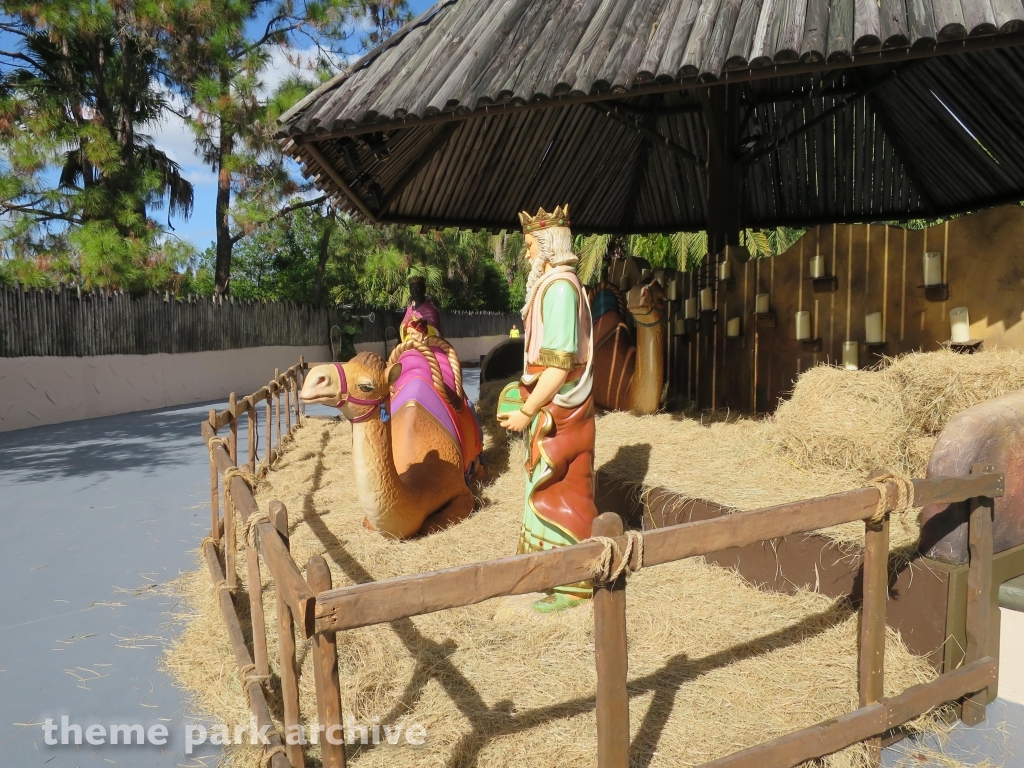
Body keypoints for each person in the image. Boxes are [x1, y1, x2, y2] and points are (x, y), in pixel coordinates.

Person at [496, 204, 597, 613]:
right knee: (544, 488)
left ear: (548, 246)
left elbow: (559, 366)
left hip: (561, 412)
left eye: (529, 246)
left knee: (562, 490)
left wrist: (527, 409)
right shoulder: (554, 285)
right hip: (549, 406)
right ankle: (544, 570)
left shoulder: (559, 288)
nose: (525, 255)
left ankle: (574, 582)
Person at [400, 275, 442, 342]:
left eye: (418, 288)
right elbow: (403, 327)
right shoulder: (409, 309)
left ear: (424, 289)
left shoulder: (431, 310)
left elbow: (435, 332)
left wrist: (419, 324)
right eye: (412, 288)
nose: (415, 291)